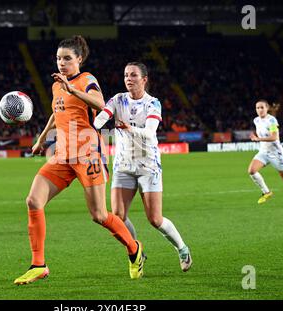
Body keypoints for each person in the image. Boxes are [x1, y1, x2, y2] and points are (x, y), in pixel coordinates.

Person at [14, 36, 145, 285]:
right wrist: (42, 140)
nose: (61, 63)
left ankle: (134, 248)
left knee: (99, 215)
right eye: (58, 58)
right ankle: (38, 264)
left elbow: (100, 103)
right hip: (62, 155)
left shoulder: (87, 80)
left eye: (67, 58)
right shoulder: (56, 86)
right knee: (33, 200)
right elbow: (57, 113)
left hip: (88, 154)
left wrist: (72, 89)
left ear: (79, 59)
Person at [93, 62, 192, 272]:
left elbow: (149, 132)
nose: (129, 78)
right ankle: (136, 251)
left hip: (148, 165)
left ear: (144, 79)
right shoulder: (117, 99)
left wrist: (129, 128)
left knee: (155, 219)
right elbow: (103, 116)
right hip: (123, 165)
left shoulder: (153, 103)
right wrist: (94, 127)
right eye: (126, 75)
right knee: (117, 216)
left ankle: (182, 248)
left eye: (134, 75)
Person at [248, 100, 283, 208]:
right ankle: (266, 192)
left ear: (267, 108)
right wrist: (255, 137)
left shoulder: (272, 120)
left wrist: (258, 139)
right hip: (263, 152)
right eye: (257, 108)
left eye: (262, 107)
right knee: (252, 170)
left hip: (276, 153)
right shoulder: (256, 120)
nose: (259, 110)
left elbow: (274, 137)